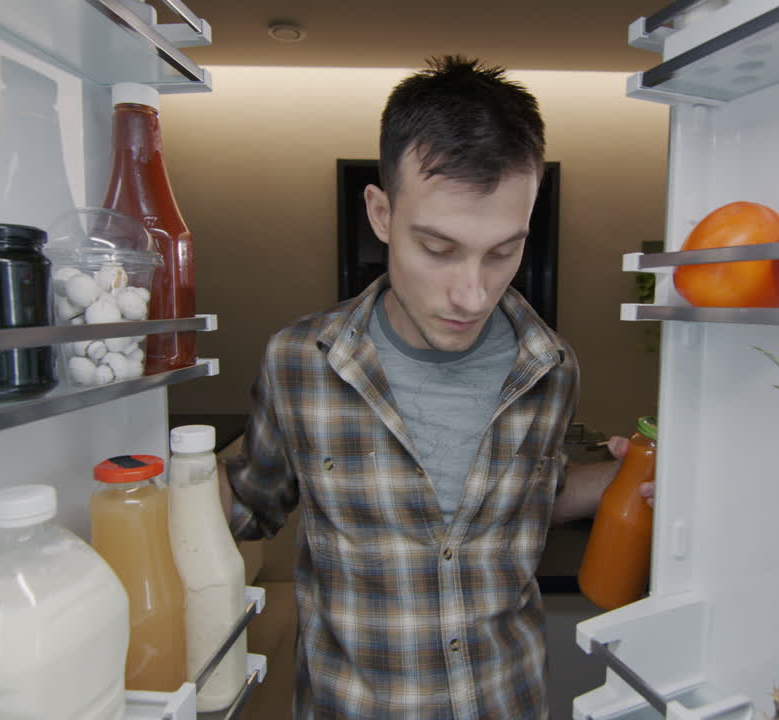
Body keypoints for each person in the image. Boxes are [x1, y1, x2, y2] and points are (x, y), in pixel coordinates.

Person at [217, 55, 652, 718]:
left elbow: (532, 492)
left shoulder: (552, 366)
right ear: (382, 213)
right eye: (439, 248)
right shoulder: (299, 362)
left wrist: (628, 479)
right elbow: (248, 502)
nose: (472, 292)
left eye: (504, 251)